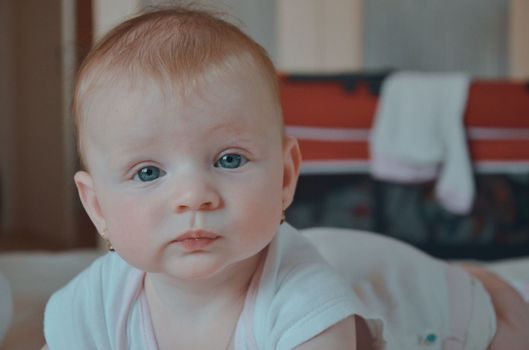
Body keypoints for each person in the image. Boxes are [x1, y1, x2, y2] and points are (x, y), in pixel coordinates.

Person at [42, 5, 529, 350]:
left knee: (506, 322)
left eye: (229, 160)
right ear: (97, 206)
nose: (194, 196)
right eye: (148, 172)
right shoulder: (94, 304)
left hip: (440, 310)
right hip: (350, 256)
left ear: (285, 177)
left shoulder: (306, 304)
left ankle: (489, 288)